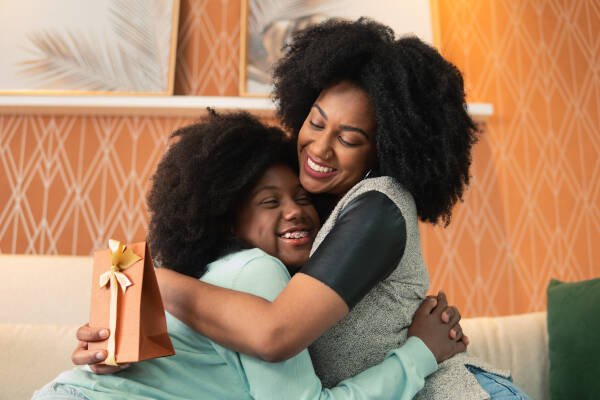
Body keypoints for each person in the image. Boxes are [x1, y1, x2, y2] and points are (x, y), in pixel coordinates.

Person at [145, 19, 530, 399]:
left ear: (385, 149)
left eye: (348, 139)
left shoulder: (379, 205)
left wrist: (155, 282)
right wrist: (114, 346)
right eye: (316, 123)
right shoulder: (307, 216)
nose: (319, 148)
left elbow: (274, 334)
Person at [35, 112, 466, 400]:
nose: (295, 210)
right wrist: (419, 353)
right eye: (268, 202)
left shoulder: (211, 278)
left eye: (301, 198)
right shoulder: (258, 270)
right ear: (227, 222)